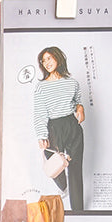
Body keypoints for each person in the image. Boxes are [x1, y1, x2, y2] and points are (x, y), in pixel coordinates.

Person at [33, 45, 85, 212]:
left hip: (71, 124)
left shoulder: (72, 83)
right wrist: (41, 134)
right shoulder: (41, 87)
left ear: (58, 58)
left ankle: (78, 210)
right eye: (43, 61)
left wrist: (80, 108)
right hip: (53, 127)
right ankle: (63, 187)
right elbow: (40, 112)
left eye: (49, 58)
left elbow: (76, 102)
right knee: (54, 162)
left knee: (75, 167)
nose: (46, 63)